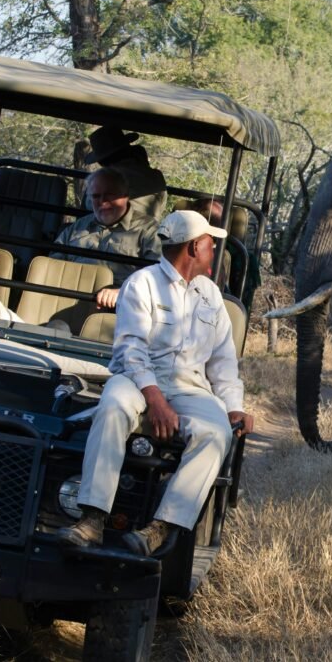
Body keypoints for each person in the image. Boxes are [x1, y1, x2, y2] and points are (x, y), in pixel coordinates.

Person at [57, 209, 254, 556]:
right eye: (210, 244)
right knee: (114, 405)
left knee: (217, 432)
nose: (213, 251)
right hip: (136, 377)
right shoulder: (143, 283)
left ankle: (161, 527)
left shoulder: (210, 294)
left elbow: (223, 361)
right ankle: (91, 518)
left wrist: (235, 407)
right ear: (194, 248)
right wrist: (156, 400)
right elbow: (132, 350)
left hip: (190, 385)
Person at [52, 167, 161, 308]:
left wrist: (122, 292)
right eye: (96, 196)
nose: (103, 202)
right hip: (67, 297)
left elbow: (158, 275)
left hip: (120, 307)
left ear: (126, 195)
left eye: (110, 195)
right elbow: (53, 264)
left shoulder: (148, 230)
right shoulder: (77, 227)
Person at [85, 126, 168, 219]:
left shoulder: (106, 181)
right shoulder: (156, 176)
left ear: (102, 161)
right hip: (150, 229)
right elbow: (161, 205)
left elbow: (89, 205)